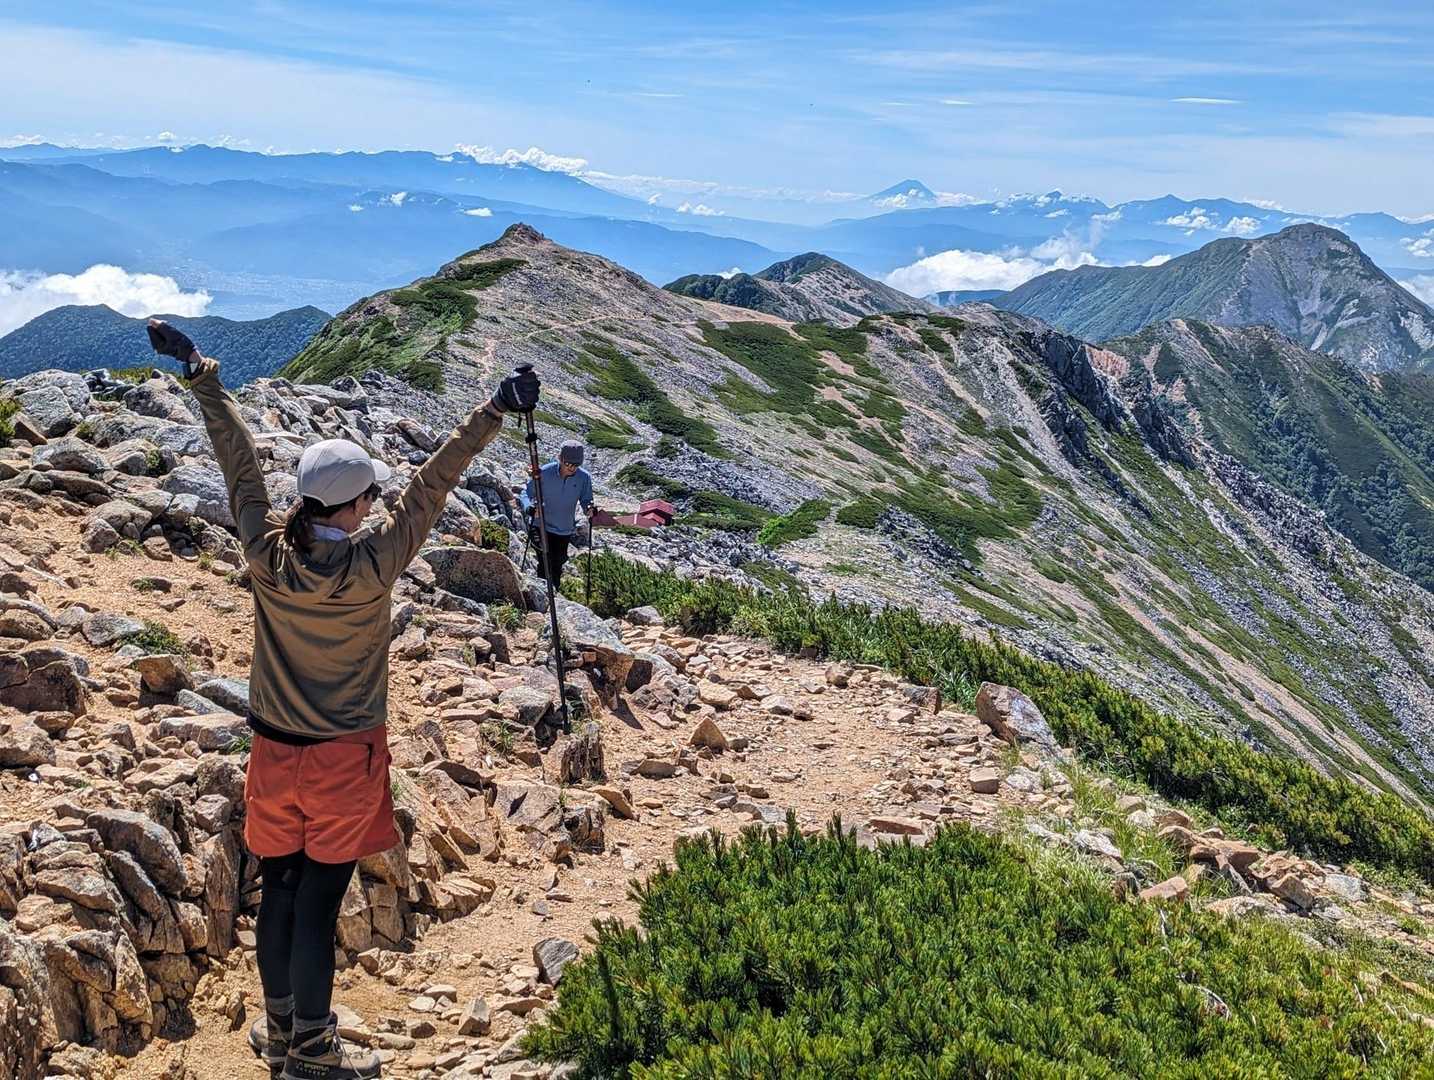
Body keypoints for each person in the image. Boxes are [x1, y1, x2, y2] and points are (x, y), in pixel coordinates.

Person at [147, 319, 538, 1080]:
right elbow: (433, 485)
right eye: (369, 498)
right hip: (344, 759)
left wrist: (199, 369)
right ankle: (312, 1052)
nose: (375, 506)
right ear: (354, 506)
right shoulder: (375, 564)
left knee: (280, 894)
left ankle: (281, 1032)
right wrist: (494, 408)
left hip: (272, 753)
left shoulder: (266, 553)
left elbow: (238, 465)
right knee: (319, 906)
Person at [521, 438, 595, 584]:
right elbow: (526, 493)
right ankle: (543, 590)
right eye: (568, 464)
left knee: (557, 564)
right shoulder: (545, 472)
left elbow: (586, 499)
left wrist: (589, 509)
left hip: (563, 530)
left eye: (576, 465)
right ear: (560, 458)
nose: (572, 468)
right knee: (545, 560)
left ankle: (552, 592)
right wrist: (529, 507)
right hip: (540, 525)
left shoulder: (584, 478)